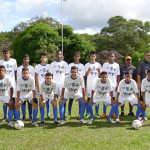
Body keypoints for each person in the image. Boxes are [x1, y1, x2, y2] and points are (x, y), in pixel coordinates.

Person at [101, 52, 120, 118]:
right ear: (108, 57)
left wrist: (118, 84)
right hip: (106, 84)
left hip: (114, 84)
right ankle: (104, 113)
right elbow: (102, 74)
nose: (111, 57)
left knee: (113, 98)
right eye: (110, 56)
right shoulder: (105, 65)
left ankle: (113, 112)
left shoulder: (117, 65)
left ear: (114, 57)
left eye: (112, 56)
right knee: (105, 97)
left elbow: (118, 76)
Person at [50, 50, 69, 119]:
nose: (58, 55)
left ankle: (63, 115)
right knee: (54, 100)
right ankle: (55, 116)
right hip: (55, 85)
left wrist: (66, 85)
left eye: (60, 54)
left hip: (62, 85)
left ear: (62, 55)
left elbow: (67, 75)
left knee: (63, 100)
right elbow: (51, 75)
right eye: (57, 54)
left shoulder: (65, 64)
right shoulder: (52, 64)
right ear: (55, 55)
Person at [0, 49, 17, 123]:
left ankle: (14, 116)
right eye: (5, 53)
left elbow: (15, 71)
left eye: (8, 53)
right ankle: (5, 117)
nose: (6, 54)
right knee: (5, 100)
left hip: (12, 83)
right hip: (4, 83)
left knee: (13, 99)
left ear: (10, 54)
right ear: (3, 54)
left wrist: (16, 81)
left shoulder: (13, 61)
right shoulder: (1, 61)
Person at [68, 52, 85, 119]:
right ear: (74, 57)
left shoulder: (82, 66)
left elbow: (83, 76)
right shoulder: (70, 65)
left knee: (80, 100)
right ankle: (69, 113)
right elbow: (68, 75)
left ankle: (79, 113)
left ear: (79, 57)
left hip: (79, 85)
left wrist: (83, 85)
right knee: (70, 100)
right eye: (75, 56)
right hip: (71, 85)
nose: (77, 58)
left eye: (78, 56)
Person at [17, 54, 35, 121]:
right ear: (23, 60)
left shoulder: (32, 68)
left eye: (27, 59)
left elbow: (32, 79)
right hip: (22, 89)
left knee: (30, 103)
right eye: (25, 59)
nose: (26, 60)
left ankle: (30, 116)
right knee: (23, 103)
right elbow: (18, 78)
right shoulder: (19, 68)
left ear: (29, 60)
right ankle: (24, 116)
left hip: (29, 89)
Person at [85, 51, 101, 119]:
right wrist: (88, 71)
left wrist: (99, 71)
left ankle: (97, 113)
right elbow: (85, 75)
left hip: (96, 84)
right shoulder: (87, 65)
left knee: (96, 98)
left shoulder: (98, 64)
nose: (93, 57)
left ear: (95, 57)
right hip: (89, 84)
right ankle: (87, 113)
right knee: (89, 98)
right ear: (90, 57)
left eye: (94, 56)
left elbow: (101, 75)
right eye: (92, 56)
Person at [35, 53, 51, 119]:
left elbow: (51, 77)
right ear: (40, 58)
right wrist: (38, 87)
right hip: (40, 87)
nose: (43, 58)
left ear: (47, 58)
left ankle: (48, 114)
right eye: (42, 57)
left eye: (45, 57)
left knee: (48, 101)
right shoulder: (37, 66)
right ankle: (42, 115)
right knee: (41, 100)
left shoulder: (49, 66)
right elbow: (36, 78)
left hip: (48, 86)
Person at [137, 51, 150, 119]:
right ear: (145, 56)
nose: (148, 56)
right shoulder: (142, 64)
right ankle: (142, 114)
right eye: (147, 55)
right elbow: (138, 74)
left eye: (149, 55)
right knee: (143, 100)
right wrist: (139, 83)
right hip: (144, 84)